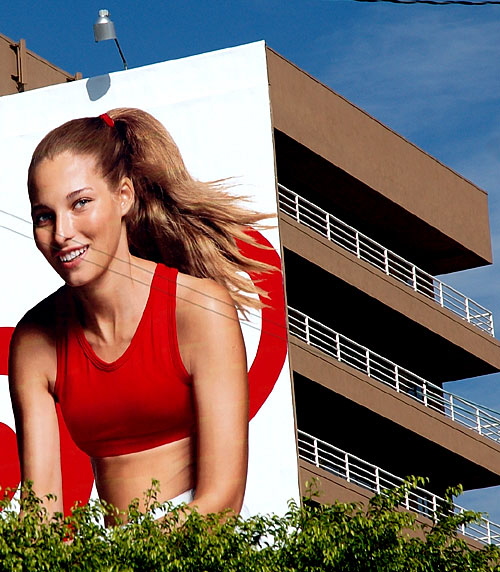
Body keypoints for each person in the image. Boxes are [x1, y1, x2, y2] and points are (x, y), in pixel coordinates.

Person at [8, 108, 271, 524]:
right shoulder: (34, 341)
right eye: (45, 216)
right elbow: (41, 517)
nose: (61, 233)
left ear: (124, 197)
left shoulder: (200, 310)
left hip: (208, 544)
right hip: (111, 553)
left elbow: (222, 500)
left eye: (81, 203)